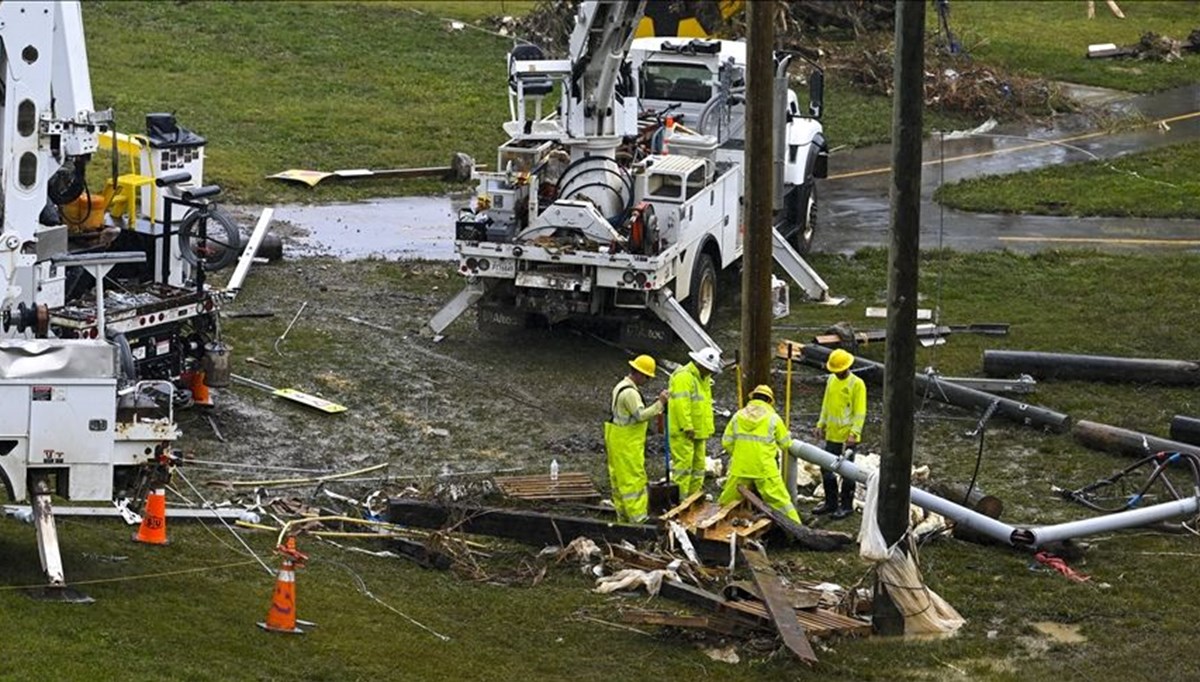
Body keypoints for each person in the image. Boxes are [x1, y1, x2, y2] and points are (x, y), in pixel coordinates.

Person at [717, 384, 800, 523]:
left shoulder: (738, 416)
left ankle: (717, 522)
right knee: (781, 501)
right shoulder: (773, 418)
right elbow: (786, 444)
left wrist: (739, 454)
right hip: (764, 468)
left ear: (753, 397)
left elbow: (726, 442)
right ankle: (797, 527)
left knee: (727, 500)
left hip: (740, 467)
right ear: (769, 401)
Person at [604, 354, 668, 523]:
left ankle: (623, 518)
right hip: (627, 443)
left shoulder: (620, 386)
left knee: (619, 481)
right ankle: (639, 520)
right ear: (639, 373)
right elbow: (640, 415)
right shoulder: (630, 393)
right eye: (647, 376)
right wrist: (660, 403)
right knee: (634, 481)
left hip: (616, 439)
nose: (646, 380)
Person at [812, 348, 867, 520]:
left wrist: (854, 433)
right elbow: (826, 405)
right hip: (832, 435)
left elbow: (860, 411)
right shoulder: (831, 381)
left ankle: (846, 506)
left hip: (847, 437)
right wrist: (821, 424)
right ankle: (831, 502)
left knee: (847, 471)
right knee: (826, 468)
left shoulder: (856, 384)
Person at [667, 346, 721, 497]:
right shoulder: (684, 377)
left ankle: (693, 499)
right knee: (683, 469)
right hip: (684, 432)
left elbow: (704, 405)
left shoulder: (703, 379)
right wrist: (687, 426)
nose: (710, 372)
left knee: (698, 468)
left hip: (699, 431)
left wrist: (707, 429)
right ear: (700, 364)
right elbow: (681, 404)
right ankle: (680, 502)